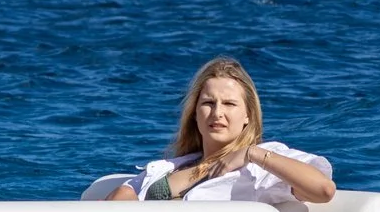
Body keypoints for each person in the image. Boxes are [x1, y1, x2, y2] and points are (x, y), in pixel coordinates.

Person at [105, 57, 335, 204]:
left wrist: (252, 154)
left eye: (229, 104)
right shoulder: (172, 167)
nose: (217, 113)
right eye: (208, 103)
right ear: (194, 113)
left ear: (248, 115)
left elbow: (323, 190)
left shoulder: (259, 168)